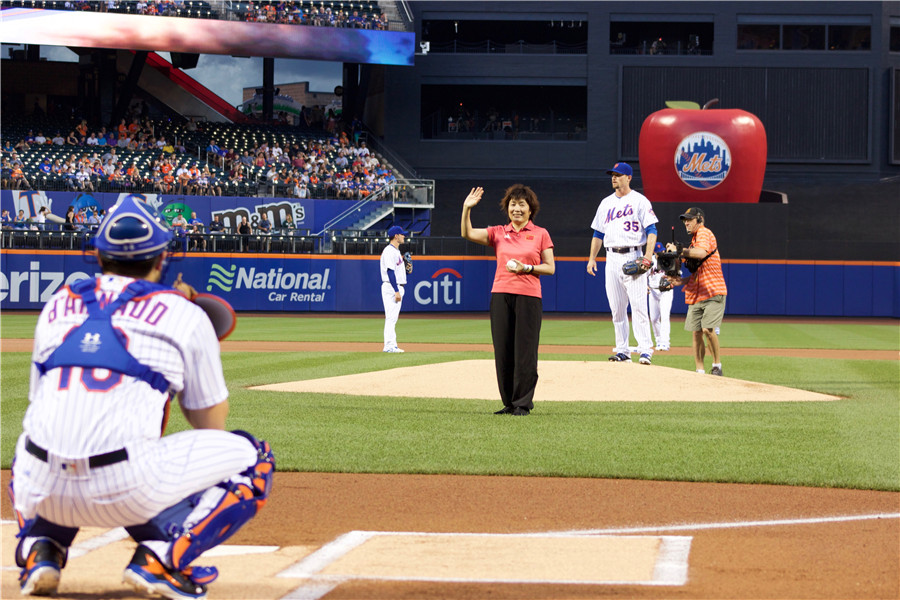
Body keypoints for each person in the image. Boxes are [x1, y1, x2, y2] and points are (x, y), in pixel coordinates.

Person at [10, 195, 274, 598]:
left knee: (33, 442)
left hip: (40, 489)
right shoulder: (182, 311)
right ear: (162, 259)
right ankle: (160, 556)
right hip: (126, 489)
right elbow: (210, 426)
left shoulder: (57, 305)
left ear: (98, 258)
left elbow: (38, 400)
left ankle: (39, 547)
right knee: (252, 457)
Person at [461, 184, 555, 416]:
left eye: (521, 204)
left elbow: (550, 268)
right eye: (513, 204)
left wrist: (527, 268)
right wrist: (466, 209)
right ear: (507, 207)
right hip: (501, 294)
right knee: (503, 350)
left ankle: (522, 403)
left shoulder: (541, 233)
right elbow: (468, 233)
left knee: (525, 351)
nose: (517, 208)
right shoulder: (498, 232)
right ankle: (508, 402)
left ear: (530, 208)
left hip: (529, 297)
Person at [586, 162, 658, 364]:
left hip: (633, 255)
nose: (614, 178)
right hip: (611, 258)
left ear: (629, 178)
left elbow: (652, 230)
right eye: (612, 175)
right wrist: (592, 258)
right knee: (617, 308)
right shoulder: (605, 203)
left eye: (618, 175)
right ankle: (623, 350)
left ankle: (645, 350)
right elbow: (598, 233)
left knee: (638, 306)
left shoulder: (640, 201)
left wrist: (648, 257)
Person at [665, 207, 727, 376]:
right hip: (696, 293)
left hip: (713, 290)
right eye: (685, 220)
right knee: (696, 332)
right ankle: (699, 370)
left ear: (699, 219)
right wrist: (680, 281)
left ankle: (717, 365)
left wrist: (679, 250)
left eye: (690, 219)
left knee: (707, 329)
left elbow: (701, 253)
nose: (686, 222)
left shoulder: (704, 233)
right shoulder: (693, 242)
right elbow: (696, 273)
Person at [380, 225, 408, 353]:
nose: (404, 236)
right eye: (402, 234)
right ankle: (389, 346)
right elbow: (390, 272)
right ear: (396, 236)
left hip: (396, 286)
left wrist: (408, 270)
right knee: (391, 317)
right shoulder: (389, 251)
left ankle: (392, 345)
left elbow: (397, 272)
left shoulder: (396, 252)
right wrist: (396, 291)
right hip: (391, 287)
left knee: (393, 318)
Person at [647, 242, 673, 351]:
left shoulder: (669, 259)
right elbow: (643, 275)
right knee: (653, 318)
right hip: (653, 291)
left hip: (666, 291)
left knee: (665, 316)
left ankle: (665, 342)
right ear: (654, 252)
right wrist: (645, 286)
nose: (661, 253)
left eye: (662, 251)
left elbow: (677, 274)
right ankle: (658, 340)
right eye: (658, 252)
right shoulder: (650, 261)